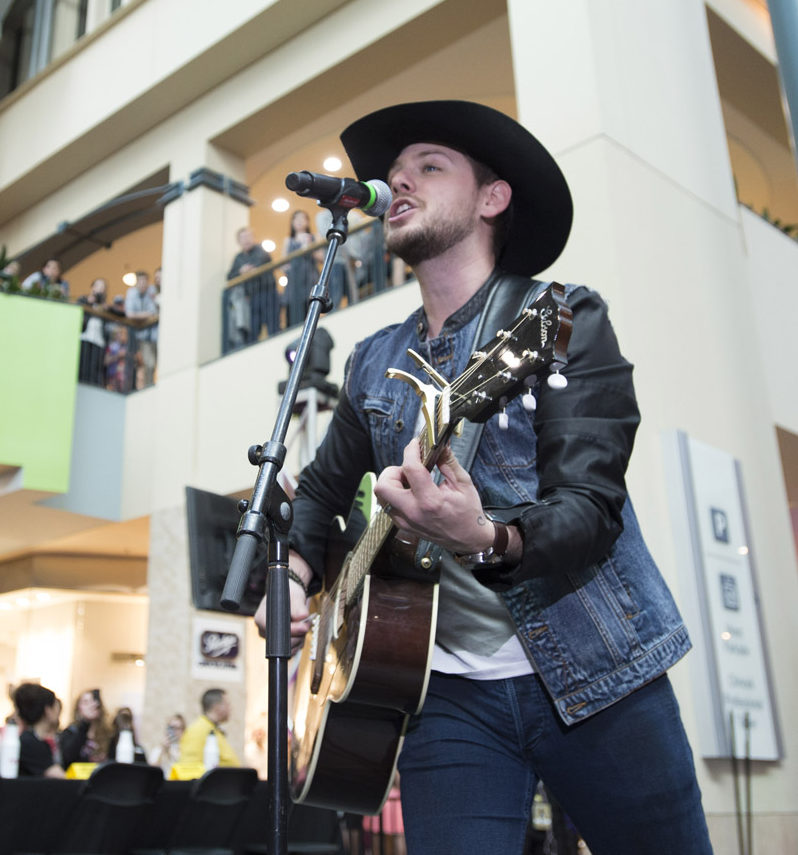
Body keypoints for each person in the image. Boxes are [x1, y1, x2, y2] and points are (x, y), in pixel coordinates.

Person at [254, 100, 714, 855]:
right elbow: (319, 491)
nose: (397, 182)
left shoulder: (559, 319)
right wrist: (301, 575)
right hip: (445, 697)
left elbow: (590, 509)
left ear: (492, 198)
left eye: (428, 168)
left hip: (602, 677)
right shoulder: (374, 359)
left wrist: (487, 536)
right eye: (394, 175)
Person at [227, 227, 274, 344]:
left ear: (253, 238)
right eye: (242, 237)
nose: (246, 240)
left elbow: (257, 264)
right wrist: (240, 271)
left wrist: (245, 270)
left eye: (248, 236)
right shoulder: (238, 257)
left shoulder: (260, 250)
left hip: (267, 293)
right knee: (253, 328)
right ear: (238, 241)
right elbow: (230, 276)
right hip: (250, 297)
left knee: (272, 325)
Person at [179, 688, 240, 774]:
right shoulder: (198, 729)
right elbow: (188, 769)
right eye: (228, 705)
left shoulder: (212, 728)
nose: (230, 708)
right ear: (217, 707)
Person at [12, 683, 65, 778]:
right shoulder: (30, 742)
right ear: (48, 711)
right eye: (55, 706)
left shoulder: (34, 739)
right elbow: (61, 777)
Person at [282, 209, 319, 327]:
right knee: (291, 318)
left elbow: (322, 257)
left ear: (307, 222)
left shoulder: (314, 237)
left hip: (309, 281)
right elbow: (283, 264)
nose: (298, 221)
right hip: (293, 284)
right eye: (295, 219)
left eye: (302, 218)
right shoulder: (288, 240)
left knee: (310, 316)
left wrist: (309, 248)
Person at [124, 270, 159, 388]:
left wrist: (140, 315)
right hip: (142, 335)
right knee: (148, 364)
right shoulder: (131, 293)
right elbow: (130, 314)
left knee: (158, 361)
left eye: (145, 281)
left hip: (156, 334)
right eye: (140, 281)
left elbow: (153, 312)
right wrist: (146, 315)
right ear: (136, 282)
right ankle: (148, 387)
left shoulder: (152, 291)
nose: (143, 283)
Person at [60, 688, 112, 767]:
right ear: (78, 708)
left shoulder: (108, 733)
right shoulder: (70, 731)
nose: (91, 705)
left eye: (93, 701)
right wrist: (85, 723)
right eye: (86, 702)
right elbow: (68, 758)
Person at [77, 277, 108, 386]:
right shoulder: (84, 300)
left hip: (99, 341)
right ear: (92, 288)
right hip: (85, 337)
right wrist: (89, 302)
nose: (100, 289)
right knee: (83, 366)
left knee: (95, 369)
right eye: (98, 286)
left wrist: (105, 309)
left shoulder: (104, 307)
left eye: (103, 287)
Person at [149, 713, 186, 778]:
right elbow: (151, 771)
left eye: (178, 728)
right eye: (172, 727)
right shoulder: (158, 749)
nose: (174, 731)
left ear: (183, 730)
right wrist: (163, 750)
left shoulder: (186, 750)